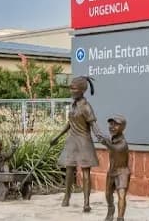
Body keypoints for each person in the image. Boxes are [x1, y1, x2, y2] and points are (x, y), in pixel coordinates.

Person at [50, 76, 104, 213]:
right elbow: (69, 124)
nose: (71, 90)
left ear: (81, 90)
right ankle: (66, 197)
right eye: (70, 87)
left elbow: (93, 124)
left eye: (73, 88)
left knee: (86, 171)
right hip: (72, 141)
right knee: (69, 170)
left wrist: (100, 136)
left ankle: (86, 203)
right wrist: (57, 136)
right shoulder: (73, 105)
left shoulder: (86, 107)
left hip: (84, 141)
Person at [97, 114, 130, 221]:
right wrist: (103, 139)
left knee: (121, 195)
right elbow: (108, 142)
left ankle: (120, 218)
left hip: (122, 172)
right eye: (111, 124)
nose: (112, 127)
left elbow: (115, 149)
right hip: (112, 171)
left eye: (116, 125)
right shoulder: (111, 139)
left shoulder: (123, 143)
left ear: (122, 127)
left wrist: (106, 143)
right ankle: (111, 209)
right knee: (107, 194)